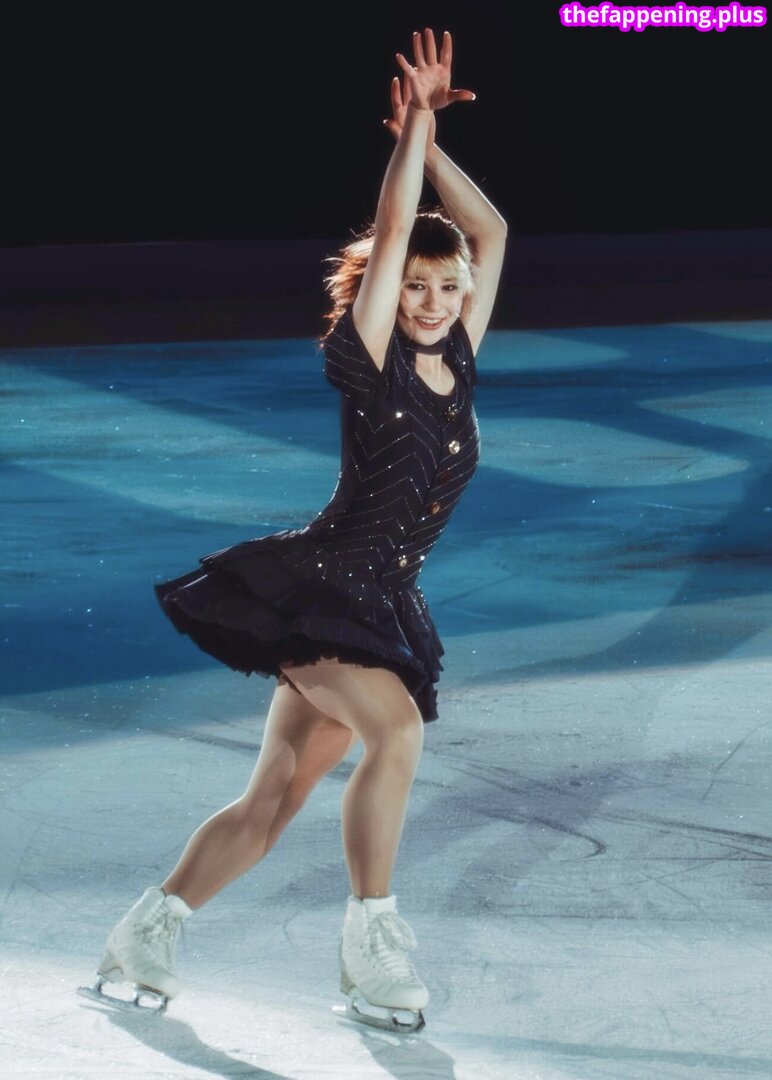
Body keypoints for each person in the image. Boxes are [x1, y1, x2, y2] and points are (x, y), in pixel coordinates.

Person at [80, 28, 507, 1033]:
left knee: (272, 800)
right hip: (323, 589)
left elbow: (489, 232)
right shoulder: (371, 359)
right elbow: (397, 228)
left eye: (448, 288)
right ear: (389, 292)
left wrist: (430, 140)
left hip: (384, 603)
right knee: (394, 732)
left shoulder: (459, 356)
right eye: (417, 286)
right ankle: (371, 943)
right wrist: (411, 139)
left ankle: (146, 929)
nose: (435, 301)